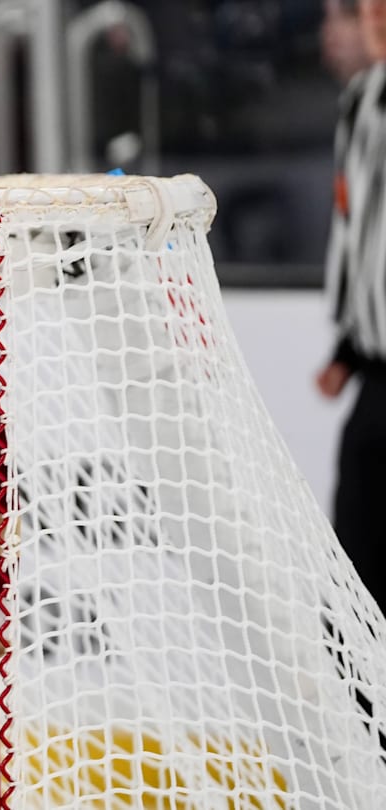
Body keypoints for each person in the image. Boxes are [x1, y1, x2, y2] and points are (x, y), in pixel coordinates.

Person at [317, 0, 386, 609]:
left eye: (341, 16)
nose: (328, 34)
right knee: (356, 546)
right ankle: (361, 695)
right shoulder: (361, 102)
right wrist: (350, 349)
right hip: (377, 368)